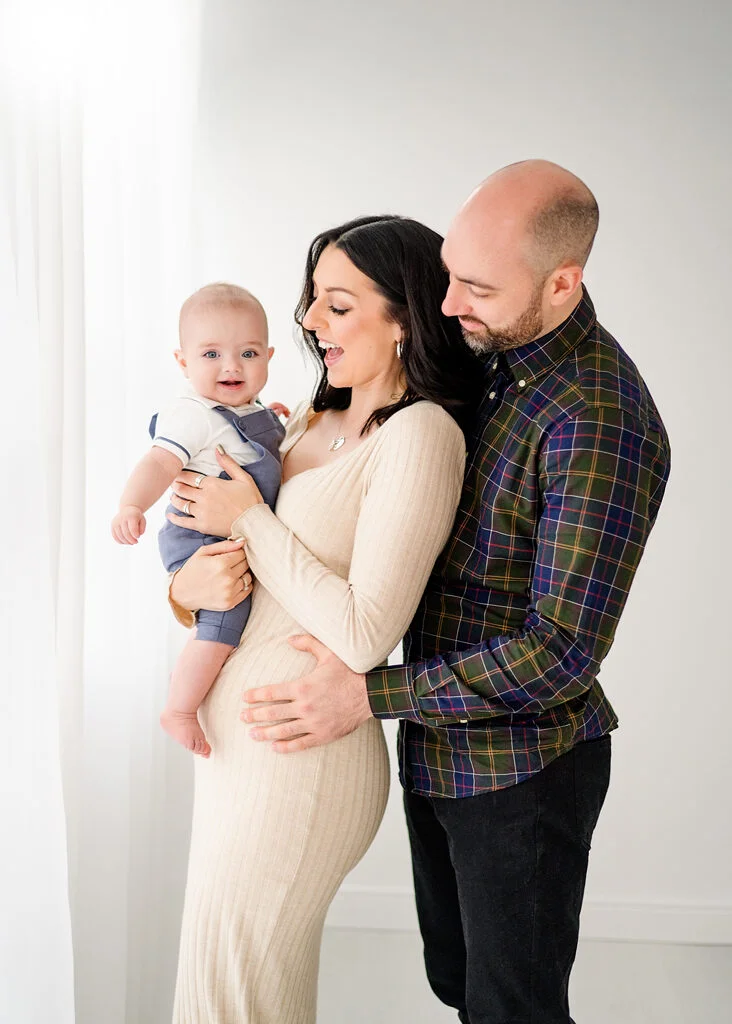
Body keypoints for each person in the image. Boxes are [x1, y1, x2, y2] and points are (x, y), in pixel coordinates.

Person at [177, 161, 671, 1024]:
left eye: (473, 286)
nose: (448, 306)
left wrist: (369, 695)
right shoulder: (485, 363)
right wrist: (191, 583)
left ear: (562, 282)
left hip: (522, 767)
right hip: (437, 749)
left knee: (511, 1007)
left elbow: (561, 650)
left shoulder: (598, 417)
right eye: (446, 280)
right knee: (459, 986)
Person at [163, 215, 484, 1023]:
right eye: (312, 303)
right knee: (217, 978)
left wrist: (253, 523)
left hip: (300, 756)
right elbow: (240, 572)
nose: (308, 323)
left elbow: (365, 632)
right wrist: (188, 589)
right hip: (242, 747)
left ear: (404, 316)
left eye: (336, 305)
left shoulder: (420, 435)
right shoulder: (302, 420)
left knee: (243, 992)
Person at [112, 283, 285, 757]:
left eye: (248, 352)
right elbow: (158, 464)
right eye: (211, 353)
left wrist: (277, 422)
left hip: (235, 528)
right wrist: (132, 505)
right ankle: (180, 707)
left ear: (269, 356)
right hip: (199, 537)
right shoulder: (192, 414)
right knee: (225, 618)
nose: (232, 366)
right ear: (183, 361)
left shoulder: (252, 410)